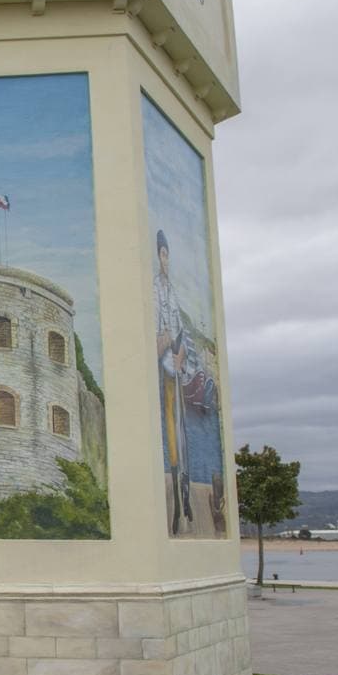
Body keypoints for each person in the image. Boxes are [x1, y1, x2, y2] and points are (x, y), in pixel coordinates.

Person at [154, 229, 193, 534]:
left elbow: (180, 330)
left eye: (168, 254)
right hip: (161, 370)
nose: (166, 259)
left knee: (182, 430)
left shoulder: (173, 291)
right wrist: (167, 343)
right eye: (162, 254)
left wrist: (181, 354)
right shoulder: (154, 290)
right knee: (169, 429)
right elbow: (157, 336)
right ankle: (178, 503)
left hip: (174, 367)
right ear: (158, 256)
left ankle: (185, 490)